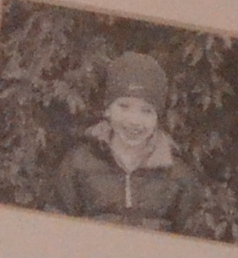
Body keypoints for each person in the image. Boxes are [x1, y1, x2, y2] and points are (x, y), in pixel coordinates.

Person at [52, 53, 193, 234]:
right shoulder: (78, 162)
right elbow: (55, 227)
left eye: (146, 111)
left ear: (158, 118)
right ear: (107, 109)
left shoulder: (178, 175)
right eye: (124, 106)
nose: (134, 121)